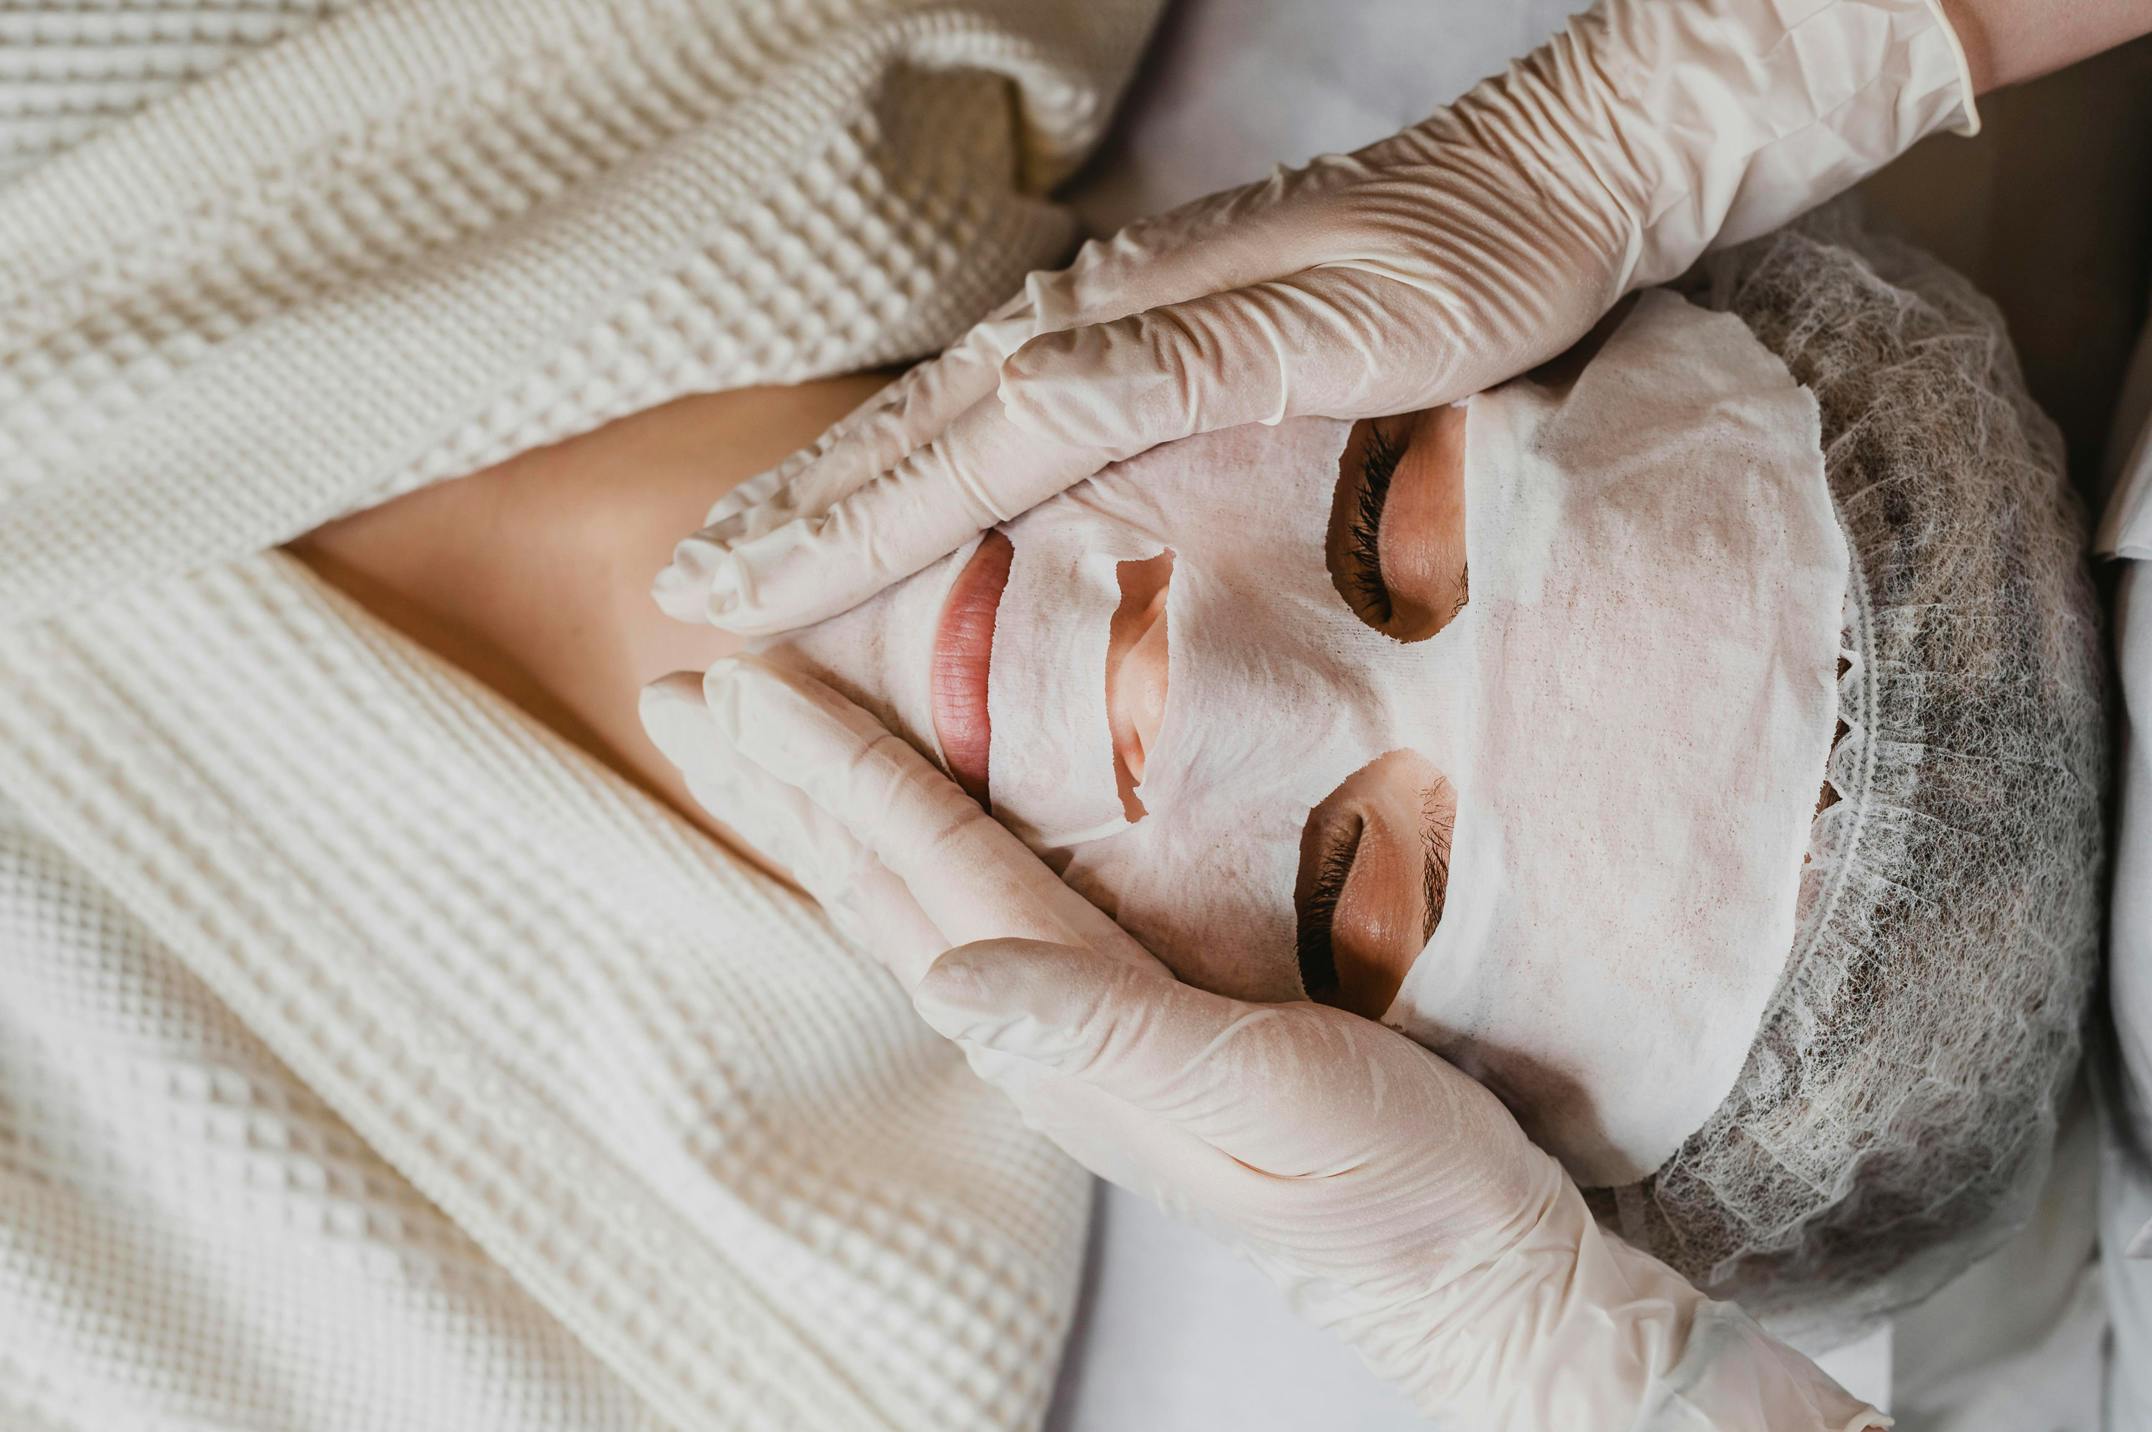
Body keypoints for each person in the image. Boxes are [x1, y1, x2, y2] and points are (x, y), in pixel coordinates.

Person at [643, 0, 2152, 1423]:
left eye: (1343, 910)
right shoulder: (899, 46)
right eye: (1384, 508)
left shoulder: (757, 1362)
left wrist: (1551, 1338)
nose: (1179, 683)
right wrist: (1658, 102)